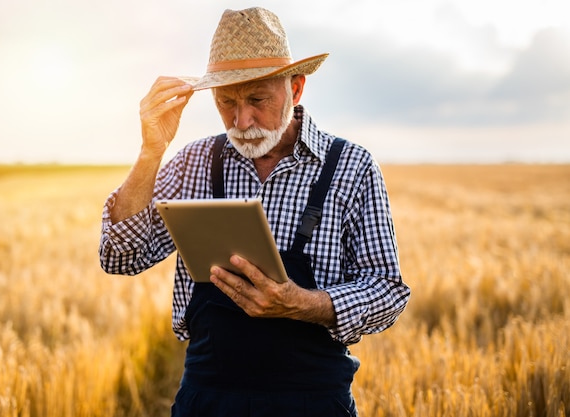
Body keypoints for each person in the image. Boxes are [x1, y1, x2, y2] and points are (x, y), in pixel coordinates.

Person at [99, 7, 410, 417]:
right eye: (225, 102)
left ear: (296, 89)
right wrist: (150, 151)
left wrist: (302, 303)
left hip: (313, 402)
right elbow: (119, 257)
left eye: (257, 100)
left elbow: (387, 290)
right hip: (207, 400)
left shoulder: (351, 167)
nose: (241, 120)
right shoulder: (193, 161)